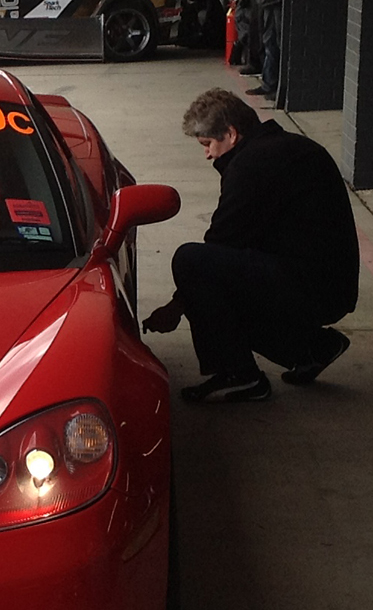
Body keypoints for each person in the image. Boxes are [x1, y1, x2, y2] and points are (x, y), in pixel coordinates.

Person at [142, 90, 358, 403]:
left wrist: (177, 306)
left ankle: (239, 374)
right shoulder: (290, 146)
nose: (207, 155)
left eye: (207, 144)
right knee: (222, 278)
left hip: (311, 288)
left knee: (192, 263)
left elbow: (220, 244)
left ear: (231, 134)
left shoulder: (252, 165)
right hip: (329, 284)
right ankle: (312, 348)